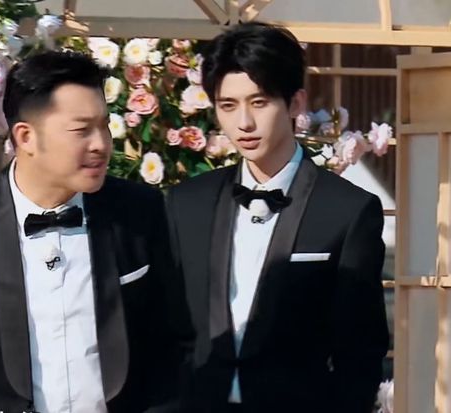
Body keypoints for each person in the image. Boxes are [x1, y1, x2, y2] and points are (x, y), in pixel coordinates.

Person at [0, 50, 195, 413]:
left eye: (104, 126)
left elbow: (175, 341)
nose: (101, 144)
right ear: (26, 137)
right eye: (81, 130)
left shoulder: (139, 210)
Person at [166, 22, 389, 413]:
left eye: (259, 102)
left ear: (296, 103)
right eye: (228, 106)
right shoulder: (187, 203)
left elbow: (360, 351)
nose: (244, 123)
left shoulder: (348, 210)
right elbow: (165, 330)